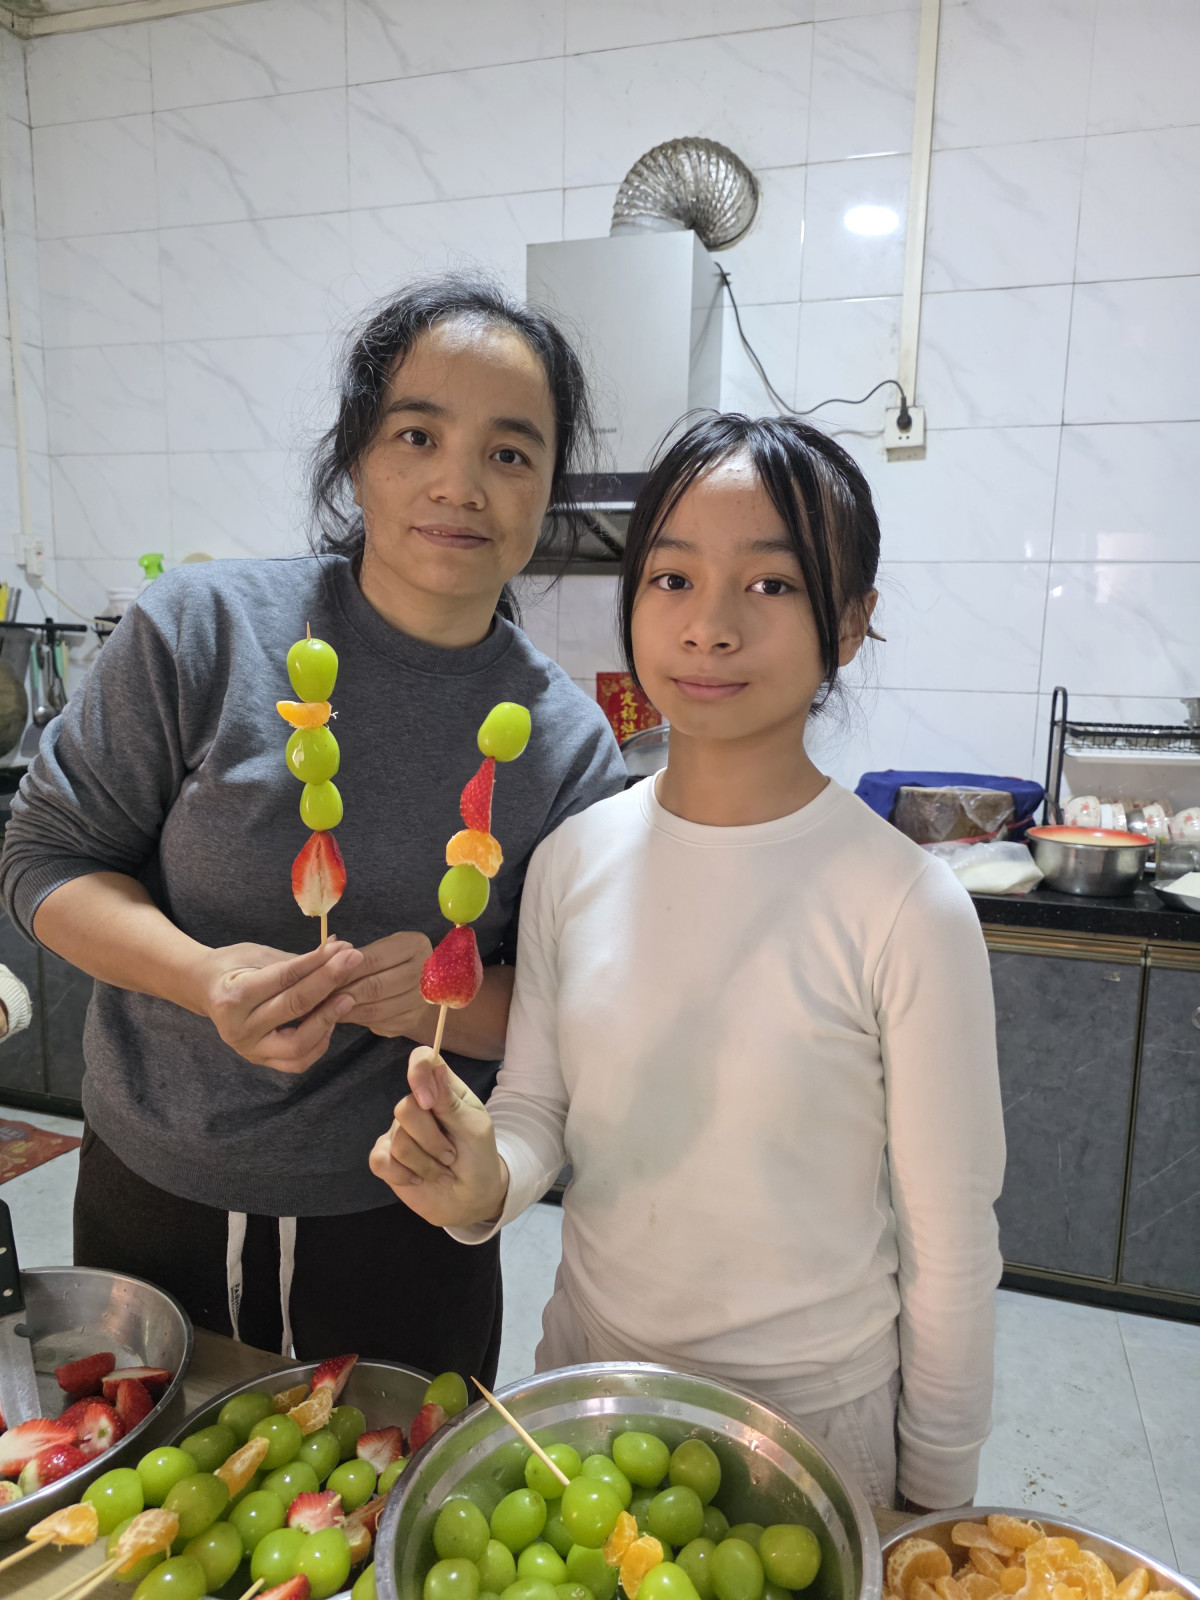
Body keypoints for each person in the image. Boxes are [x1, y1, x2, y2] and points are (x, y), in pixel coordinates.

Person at [371, 413, 1006, 1511]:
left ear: (850, 623)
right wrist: (485, 1182)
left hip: (809, 1432)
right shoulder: (574, 860)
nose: (710, 627)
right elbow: (537, 1108)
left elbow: (951, 1243)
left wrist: (935, 1499)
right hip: (591, 1393)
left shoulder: (908, 907)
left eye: (771, 585)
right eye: (672, 578)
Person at [0, 276, 625, 1380]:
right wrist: (201, 976)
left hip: (406, 1213)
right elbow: (44, 861)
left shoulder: (568, 744)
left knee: (397, 1482)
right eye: (417, 435)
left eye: (509, 453)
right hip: (157, 1186)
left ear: (545, 493)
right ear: (355, 458)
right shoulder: (202, 631)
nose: (459, 484)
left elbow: (568, 1017)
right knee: (158, 1468)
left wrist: (434, 996)